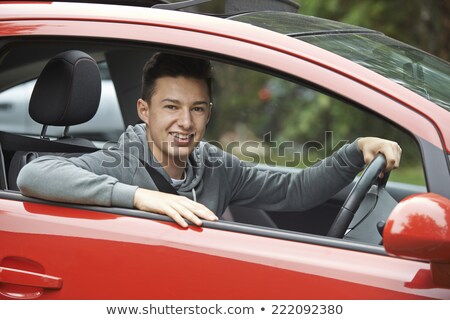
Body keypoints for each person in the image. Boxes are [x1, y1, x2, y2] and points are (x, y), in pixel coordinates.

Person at [17, 53, 402, 228]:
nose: (185, 122)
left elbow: (295, 191)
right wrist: (141, 197)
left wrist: (354, 151)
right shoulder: (119, 160)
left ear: (209, 112)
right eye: (171, 107)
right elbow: (34, 175)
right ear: (144, 110)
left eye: (198, 109)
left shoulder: (215, 165)